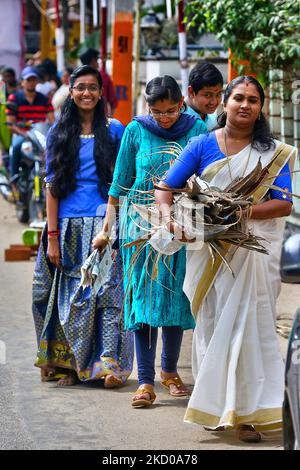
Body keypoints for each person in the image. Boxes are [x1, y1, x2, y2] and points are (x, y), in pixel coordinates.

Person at [155, 76, 297, 441]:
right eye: (238, 97)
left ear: (261, 107)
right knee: (214, 327)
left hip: (252, 255)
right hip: (210, 254)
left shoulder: (273, 153)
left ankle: (248, 414)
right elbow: (166, 187)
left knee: (249, 330)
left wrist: (242, 212)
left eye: (253, 99)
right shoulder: (202, 145)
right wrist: (172, 221)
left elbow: (283, 203)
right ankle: (216, 406)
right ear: (225, 103)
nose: (245, 104)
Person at [92, 75, 207, 407]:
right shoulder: (135, 130)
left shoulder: (197, 129)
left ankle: (170, 371)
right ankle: (145, 381)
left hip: (180, 221)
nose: (165, 118)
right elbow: (119, 184)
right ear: (148, 107)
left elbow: (204, 177)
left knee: (174, 298)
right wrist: (107, 229)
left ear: (181, 104)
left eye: (171, 111)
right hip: (138, 225)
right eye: (157, 112)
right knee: (140, 300)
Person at [32, 65, 134, 387]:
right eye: (80, 88)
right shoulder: (58, 133)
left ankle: (108, 366)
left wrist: (114, 226)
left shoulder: (116, 130)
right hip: (65, 227)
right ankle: (68, 365)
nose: (86, 93)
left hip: (105, 226)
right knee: (57, 295)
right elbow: (52, 186)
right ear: (71, 91)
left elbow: (123, 182)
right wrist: (51, 237)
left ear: (101, 92)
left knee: (106, 297)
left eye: (93, 87)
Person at [6, 66, 55, 195]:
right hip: (21, 134)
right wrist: (23, 133)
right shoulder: (14, 98)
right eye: (28, 80)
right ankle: (14, 179)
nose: (31, 82)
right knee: (16, 146)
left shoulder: (44, 99)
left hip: (40, 135)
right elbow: (10, 124)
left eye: (33, 80)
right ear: (22, 82)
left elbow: (51, 121)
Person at [185, 61, 223, 131]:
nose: (214, 102)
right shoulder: (173, 119)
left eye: (218, 94)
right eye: (207, 95)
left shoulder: (213, 120)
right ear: (191, 92)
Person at [80, 48, 118, 116]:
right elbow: (113, 102)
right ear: (93, 61)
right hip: (101, 119)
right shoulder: (103, 76)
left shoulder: (78, 78)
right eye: (97, 60)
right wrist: (109, 118)